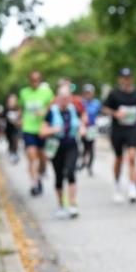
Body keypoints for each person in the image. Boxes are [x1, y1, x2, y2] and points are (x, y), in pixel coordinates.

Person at [40, 82, 87, 219]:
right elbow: (42, 131)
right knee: (59, 176)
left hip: (71, 145)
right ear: (58, 98)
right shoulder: (51, 112)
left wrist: (82, 128)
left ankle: (72, 204)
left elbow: (82, 122)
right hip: (56, 147)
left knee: (71, 172)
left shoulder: (74, 110)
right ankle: (60, 205)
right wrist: (52, 130)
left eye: (67, 97)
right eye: (63, 97)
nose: (65, 100)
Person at [103, 69, 136, 203]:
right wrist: (115, 113)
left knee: (132, 157)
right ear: (120, 79)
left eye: (128, 77)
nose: (126, 80)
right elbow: (104, 108)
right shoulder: (114, 93)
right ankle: (117, 186)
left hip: (132, 129)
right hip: (118, 129)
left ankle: (132, 187)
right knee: (119, 159)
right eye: (124, 77)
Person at [19, 71, 54, 197]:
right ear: (29, 80)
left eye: (37, 80)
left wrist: (45, 113)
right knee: (32, 156)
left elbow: (52, 108)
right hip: (28, 129)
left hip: (42, 130)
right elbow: (21, 108)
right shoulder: (24, 93)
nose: (35, 82)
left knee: (42, 157)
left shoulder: (47, 92)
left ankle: (40, 174)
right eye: (33, 80)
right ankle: (34, 184)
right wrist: (20, 119)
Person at [79, 83, 102, 176]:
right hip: (83, 127)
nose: (88, 95)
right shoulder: (81, 102)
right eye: (86, 93)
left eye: (89, 93)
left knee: (91, 147)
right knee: (84, 146)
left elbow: (99, 113)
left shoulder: (96, 103)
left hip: (92, 127)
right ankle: (83, 162)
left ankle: (89, 166)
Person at [3, 93, 21, 164]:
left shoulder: (18, 109)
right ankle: (11, 153)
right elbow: (3, 117)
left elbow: (21, 118)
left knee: (15, 141)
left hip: (16, 129)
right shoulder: (6, 109)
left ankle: (15, 153)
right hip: (9, 129)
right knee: (10, 141)